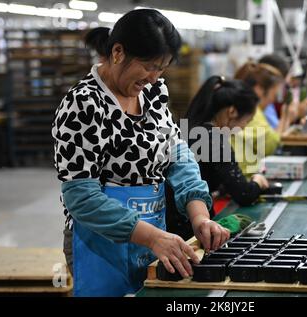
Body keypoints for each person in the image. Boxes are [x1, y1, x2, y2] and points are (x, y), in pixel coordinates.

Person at [52, 9, 229, 297]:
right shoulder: (83, 104)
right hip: (102, 245)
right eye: (148, 65)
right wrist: (153, 238)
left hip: (154, 236)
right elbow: (81, 198)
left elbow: (178, 156)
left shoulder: (155, 92)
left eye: (162, 68)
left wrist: (200, 216)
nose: (153, 76)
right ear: (118, 52)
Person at [166, 76, 269, 239]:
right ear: (232, 111)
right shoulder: (212, 138)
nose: (243, 128)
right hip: (190, 230)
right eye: (246, 121)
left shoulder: (184, 127)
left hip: (170, 223)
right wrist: (258, 181)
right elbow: (244, 194)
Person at [232, 62, 287, 176]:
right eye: (273, 94)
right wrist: (286, 117)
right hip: (242, 180)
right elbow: (269, 145)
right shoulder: (252, 112)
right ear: (259, 90)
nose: (273, 100)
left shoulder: (240, 107)